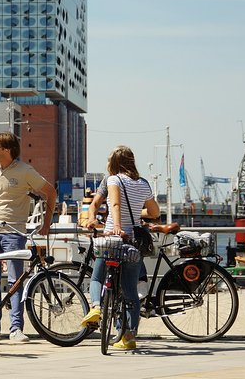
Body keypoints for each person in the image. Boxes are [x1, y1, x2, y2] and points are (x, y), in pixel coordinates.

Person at [0, 132, 57, 342]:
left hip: (14, 232)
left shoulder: (26, 171)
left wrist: (47, 222)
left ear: (7, 149)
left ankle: (16, 328)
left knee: (15, 281)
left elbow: (50, 192)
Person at [80, 145, 160, 350]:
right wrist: (134, 213)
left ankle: (97, 307)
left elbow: (114, 205)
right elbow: (154, 212)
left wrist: (116, 225)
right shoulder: (143, 183)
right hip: (133, 241)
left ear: (113, 164)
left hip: (113, 239)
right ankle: (129, 337)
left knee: (97, 277)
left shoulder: (114, 179)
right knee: (130, 291)